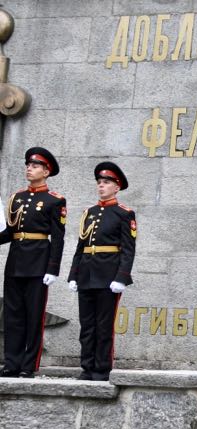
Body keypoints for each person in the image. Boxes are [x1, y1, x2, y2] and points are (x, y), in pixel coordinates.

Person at [67, 162, 137, 381]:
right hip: (86, 275)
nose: (101, 186)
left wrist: (121, 277)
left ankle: (102, 368)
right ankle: (87, 367)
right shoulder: (89, 213)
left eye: (106, 182)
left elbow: (128, 250)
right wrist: (73, 275)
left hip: (108, 277)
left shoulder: (124, 213)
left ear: (117, 187)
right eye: (99, 182)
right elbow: (81, 247)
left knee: (103, 325)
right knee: (87, 325)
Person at [0, 147, 65, 378]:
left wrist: (53, 268)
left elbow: (58, 238)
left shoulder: (54, 200)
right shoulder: (16, 198)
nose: (29, 169)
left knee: (34, 315)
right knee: (12, 315)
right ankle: (12, 363)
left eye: (35, 166)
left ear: (46, 172)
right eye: (28, 165)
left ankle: (28, 365)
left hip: (38, 263)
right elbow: (10, 232)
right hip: (15, 262)